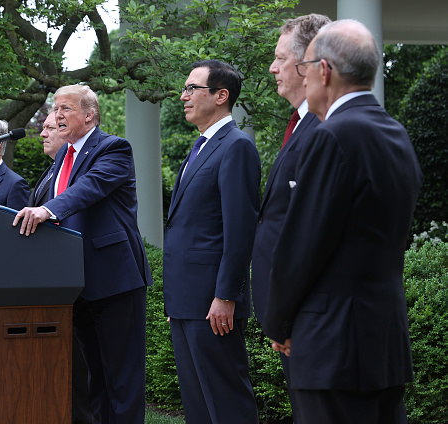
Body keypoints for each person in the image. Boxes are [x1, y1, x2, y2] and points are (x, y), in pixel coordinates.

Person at [262, 20, 423, 423]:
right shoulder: (396, 134)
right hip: (383, 340)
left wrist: (278, 321)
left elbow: (302, 244)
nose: (302, 73)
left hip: (332, 344)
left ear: (325, 70)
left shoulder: (331, 136)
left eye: (306, 64)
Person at [13, 84, 152, 424]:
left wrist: (46, 210)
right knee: (96, 381)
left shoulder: (114, 148)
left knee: (122, 379)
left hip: (114, 278)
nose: (56, 115)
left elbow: (86, 189)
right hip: (74, 282)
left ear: (89, 115)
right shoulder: (63, 156)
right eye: (55, 108)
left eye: (66, 109)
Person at [163, 59, 261, 423]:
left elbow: (240, 229)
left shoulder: (236, 146)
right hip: (186, 298)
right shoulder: (200, 147)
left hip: (212, 302)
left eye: (192, 88)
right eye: (184, 89)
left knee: (226, 401)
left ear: (221, 95)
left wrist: (226, 295)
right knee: (198, 405)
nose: (184, 96)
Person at [251, 13, 330, 423]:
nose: (272, 67)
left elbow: (313, 236)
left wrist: (291, 317)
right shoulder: (301, 125)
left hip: (309, 322)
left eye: (280, 58)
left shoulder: (324, 129)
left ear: (309, 64)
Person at [27, 112, 94, 424]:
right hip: (52, 283)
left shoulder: (82, 170)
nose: (43, 134)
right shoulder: (49, 173)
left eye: (50, 128)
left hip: (78, 279)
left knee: (82, 367)